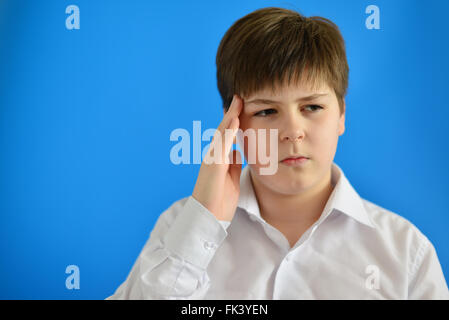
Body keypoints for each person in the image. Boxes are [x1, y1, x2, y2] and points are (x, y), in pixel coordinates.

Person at [106, 7, 449, 299]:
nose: (292, 131)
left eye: (312, 106)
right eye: (267, 112)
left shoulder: (406, 253)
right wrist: (202, 222)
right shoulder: (180, 228)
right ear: (233, 124)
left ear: (341, 115)